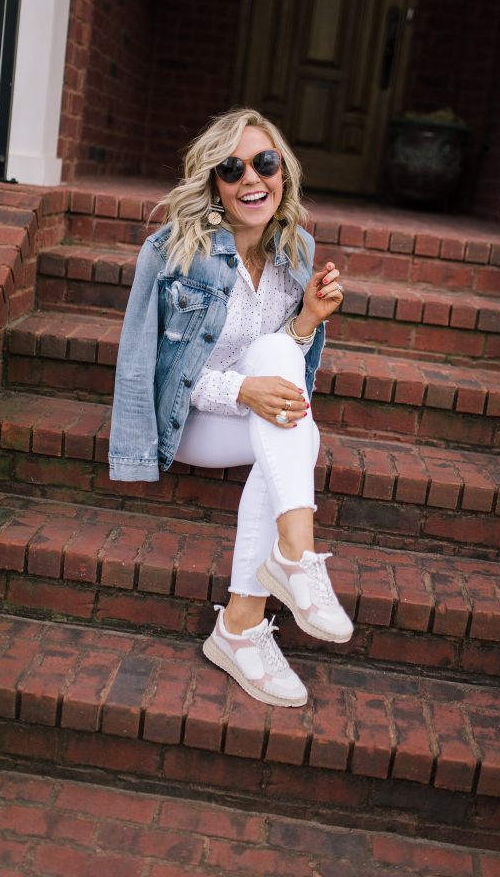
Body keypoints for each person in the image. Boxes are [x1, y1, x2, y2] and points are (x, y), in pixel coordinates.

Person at [109, 107, 353, 707]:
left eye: (265, 163)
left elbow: (280, 363)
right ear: (213, 183)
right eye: (233, 167)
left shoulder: (296, 251)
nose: (253, 179)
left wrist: (308, 322)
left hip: (254, 419)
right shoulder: (172, 253)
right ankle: (292, 562)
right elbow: (155, 370)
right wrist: (241, 392)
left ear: (283, 175)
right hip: (191, 422)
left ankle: (242, 622)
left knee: (280, 365)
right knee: (302, 432)